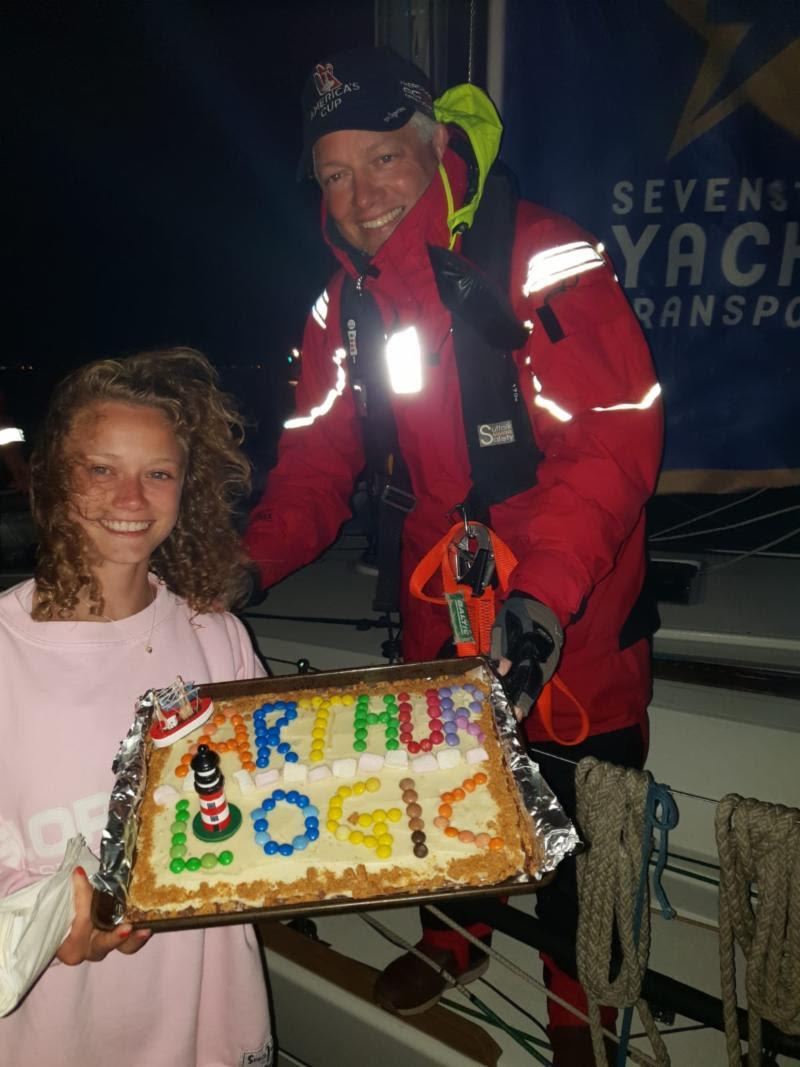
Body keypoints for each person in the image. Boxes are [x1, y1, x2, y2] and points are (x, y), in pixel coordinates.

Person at [244, 46, 662, 1065]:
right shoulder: (337, 308)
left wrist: (543, 601)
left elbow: (613, 441)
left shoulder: (542, 259)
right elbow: (313, 464)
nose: (359, 194)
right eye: (334, 175)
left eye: (382, 158)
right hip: (442, 598)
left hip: (571, 612)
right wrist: (244, 565)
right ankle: (453, 938)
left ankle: (580, 1012)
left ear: (433, 149)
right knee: (437, 792)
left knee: (577, 833)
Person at [0, 348, 273, 1066]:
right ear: (54, 476)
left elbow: (273, 809)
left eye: (158, 473)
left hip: (208, 1029)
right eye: (102, 470)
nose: (132, 499)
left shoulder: (218, 637)